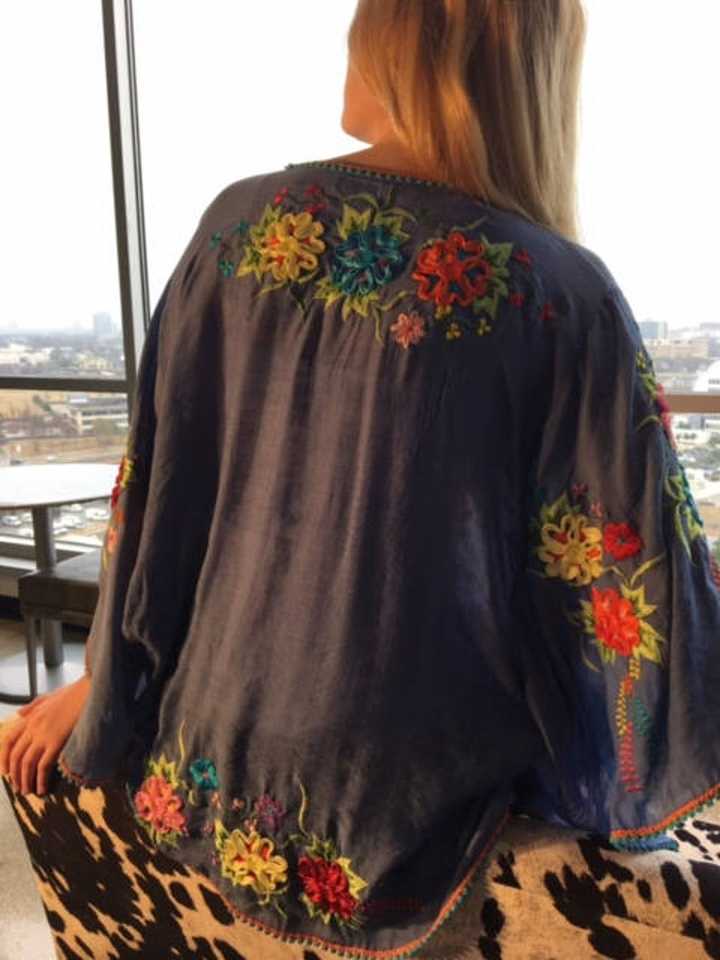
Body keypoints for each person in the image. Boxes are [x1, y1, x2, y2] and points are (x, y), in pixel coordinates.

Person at [2, 0, 720, 956]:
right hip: (411, 795)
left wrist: (108, 683)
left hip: (206, 752)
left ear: (410, 46)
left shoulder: (235, 230)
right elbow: (637, 589)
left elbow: (155, 502)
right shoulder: (559, 292)